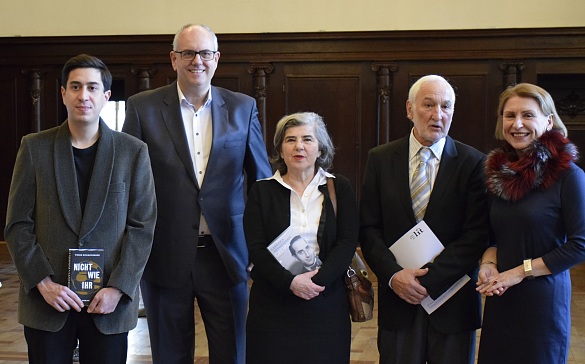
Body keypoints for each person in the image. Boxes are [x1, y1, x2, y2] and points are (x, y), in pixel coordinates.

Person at [122, 24, 272, 364]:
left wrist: (258, 243)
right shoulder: (141, 108)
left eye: (205, 53)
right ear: (173, 59)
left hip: (227, 254)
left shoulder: (243, 107)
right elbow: (126, 182)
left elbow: (261, 182)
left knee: (232, 353)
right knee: (170, 355)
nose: (197, 61)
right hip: (163, 253)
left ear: (216, 59)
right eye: (188, 53)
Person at [4, 54, 157, 364]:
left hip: (108, 304)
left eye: (91, 87)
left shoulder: (132, 152)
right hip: (48, 302)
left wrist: (118, 287)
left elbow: (142, 228)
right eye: (75, 87)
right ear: (63, 93)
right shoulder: (34, 148)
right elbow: (18, 224)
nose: (83, 95)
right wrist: (42, 283)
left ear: (106, 97)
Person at [359, 75, 489, 364]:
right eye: (428, 105)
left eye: (446, 106)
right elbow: (369, 228)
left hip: (453, 302)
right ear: (409, 109)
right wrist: (394, 276)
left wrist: (430, 280)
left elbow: (477, 234)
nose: (437, 115)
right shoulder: (380, 159)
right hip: (399, 299)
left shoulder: (474, 163)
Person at [476, 83, 585, 364]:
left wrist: (519, 272)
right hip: (501, 298)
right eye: (509, 115)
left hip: (542, 302)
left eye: (528, 115)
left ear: (548, 121)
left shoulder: (568, 175)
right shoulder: (496, 174)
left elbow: (580, 245)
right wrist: (488, 266)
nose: (518, 124)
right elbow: (492, 236)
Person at [243, 112, 358, 363]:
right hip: (274, 305)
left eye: (307, 139)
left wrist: (317, 281)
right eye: (290, 140)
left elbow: (347, 241)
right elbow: (256, 247)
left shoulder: (340, 188)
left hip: (325, 302)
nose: (299, 146)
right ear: (280, 150)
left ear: (320, 149)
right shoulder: (261, 191)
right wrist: (291, 283)